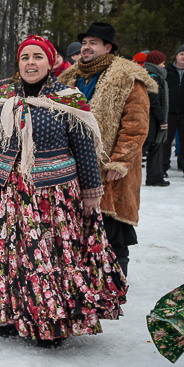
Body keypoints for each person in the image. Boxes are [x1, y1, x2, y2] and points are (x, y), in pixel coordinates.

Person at [0, 35, 125, 348]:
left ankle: (51, 324)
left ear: (50, 62)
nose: (30, 62)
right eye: (25, 56)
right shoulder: (5, 95)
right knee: (14, 257)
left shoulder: (68, 98)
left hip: (51, 197)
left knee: (47, 258)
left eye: (38, 56)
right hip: (9, 193)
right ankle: (19, 317)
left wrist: (92, 191)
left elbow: (84, 148)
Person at [58, 22, 155, 276]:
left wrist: (120, 162)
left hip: (110, 170)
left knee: (111, 229)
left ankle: (116, 282)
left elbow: (136, 126)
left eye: (93, 43)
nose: (86, 47)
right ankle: (82, 279)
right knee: (78, 226)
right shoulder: (69, 77)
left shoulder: (126, 78)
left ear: (107, 47)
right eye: (85, 42)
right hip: (72, 167)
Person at [142, 50, 170, 187]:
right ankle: (154, 177)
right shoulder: (153, 76)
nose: (164, 66)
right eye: (162, 63)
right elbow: (154, 100)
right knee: (147, 146)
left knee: (155, 146)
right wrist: (162, 119)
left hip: (150, 118)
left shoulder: (149, 74)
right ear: (156, 63)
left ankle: (155, 177)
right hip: (150, 118)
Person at [165, 45, 184, 178]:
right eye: (181, 54)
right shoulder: (167, 70)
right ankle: (163, 168)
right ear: (176, 56)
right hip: (169, 111)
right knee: (166, 140)